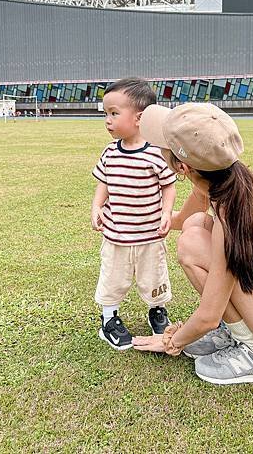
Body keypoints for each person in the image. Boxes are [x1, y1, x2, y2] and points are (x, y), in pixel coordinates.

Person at [133, 103, 253, 385]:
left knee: (192, 243)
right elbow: (184, 219)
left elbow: (208, 316)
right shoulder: (226, 181)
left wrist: (172, 340)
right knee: (194, 226)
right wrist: (141, 219)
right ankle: (239, 332)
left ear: (183, 167)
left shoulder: (231, 215)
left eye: (164, 146)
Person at [91, 78, 176, 351]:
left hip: (150, 234)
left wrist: (166, 214)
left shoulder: (156, 154)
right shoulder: (109, 154)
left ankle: (157, 311)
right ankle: (109, 320)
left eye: (114, 113)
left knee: (154, 277)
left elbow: (168, 186)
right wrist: (96, 207)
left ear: (139, 118)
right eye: (105, 114)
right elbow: (103, 184)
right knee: (113, 278)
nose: (108, 120)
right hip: (116, 235)